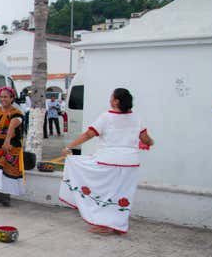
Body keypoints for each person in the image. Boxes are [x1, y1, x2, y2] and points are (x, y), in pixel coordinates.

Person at [59, 88, 154, 235]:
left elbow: (89, 134)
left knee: (102, 192)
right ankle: (117, 224)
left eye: (111, 97)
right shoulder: (136, 117)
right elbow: (146, 139)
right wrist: (150, 142)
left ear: (116, 101)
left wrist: (69, 146)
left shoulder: (106, 117)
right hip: (130, 164)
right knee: (122, 194)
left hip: (108, 161)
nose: (109, 99)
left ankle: (103, 224)